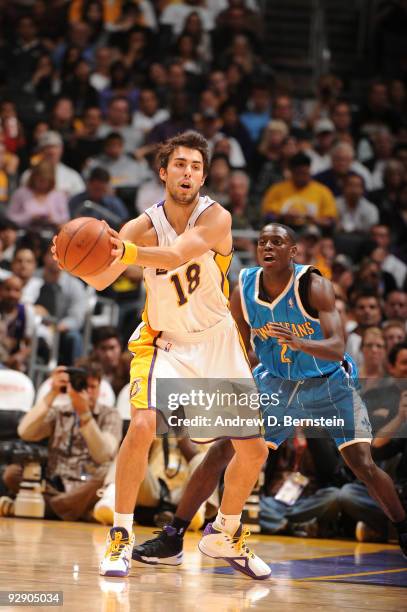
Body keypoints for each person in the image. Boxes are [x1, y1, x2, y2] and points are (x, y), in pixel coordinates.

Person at [52, 131, 270, 580]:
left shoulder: (217, 218)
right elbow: (103, 279)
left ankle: (225, 533)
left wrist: (126, 251)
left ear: (203, 176)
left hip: (217, 342)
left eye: (195, 166)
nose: (187, 172)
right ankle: (121, 536)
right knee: (144, 424)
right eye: (180, 164)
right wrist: (72, 263)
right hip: (164, 341)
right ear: (163, 172)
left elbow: (176, 254)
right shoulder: (140, 225)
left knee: (254, 451)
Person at [133, 223, 407, 564]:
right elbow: (238, 347)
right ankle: (173, 538)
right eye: (263, 241)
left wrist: (300, 342)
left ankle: (403, 529)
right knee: (221, 451)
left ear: (293, 251)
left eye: (277, 242)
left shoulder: (314, 285)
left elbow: (338, 347)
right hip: (275, 383)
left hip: (328, 381)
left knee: (361, 464)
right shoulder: (243, 287)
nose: (268, 246)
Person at [2, 362, 122, 521]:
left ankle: (42, 509)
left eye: (93, 387)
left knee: (110, 471)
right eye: (82, 385)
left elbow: (104, 455)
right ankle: (77, 512)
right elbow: (24, 432)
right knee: (12, 473)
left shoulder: (110, 415)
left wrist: (85, 415)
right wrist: (52, 392)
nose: (88, 392)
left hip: (89, 489)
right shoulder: (60, 412)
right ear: (71, 385)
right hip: (54, 486)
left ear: (100, 388)